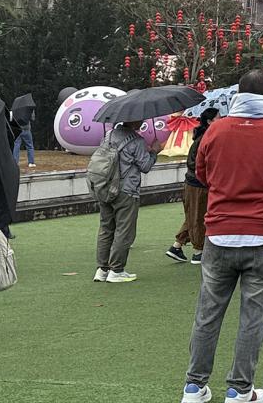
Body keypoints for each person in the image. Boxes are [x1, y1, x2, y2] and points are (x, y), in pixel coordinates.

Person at [180, 68, 263, 403]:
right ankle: (240, 389)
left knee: (208, 313)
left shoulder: (217, 130)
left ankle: (194, 386)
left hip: (220, 234)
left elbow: (203, 173)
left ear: (239, 93)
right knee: (253, 318)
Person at [93, 119, 157, 283]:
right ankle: (117, 270)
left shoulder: (108, 136)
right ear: (134, 122)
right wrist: (154, 151)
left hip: (104, 187)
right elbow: (145, 166)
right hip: (126, 190)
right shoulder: (137, 140)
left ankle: (102, 269)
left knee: (106, 228)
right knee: (124, 230)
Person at [169, 108, 218, 266]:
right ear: (210, 121)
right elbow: (197, 163)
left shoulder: (205, 137)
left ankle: (177, 245)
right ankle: (198, 251)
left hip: (197, 182)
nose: (222, 119)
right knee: (198, 216)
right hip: (198, 183)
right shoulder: (205, 139)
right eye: (218, 117)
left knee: (194, 215)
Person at [10, 104, 35, 170]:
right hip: (26, 130)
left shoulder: (14, 109)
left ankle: (15, 163)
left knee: (16, 146)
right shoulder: (29, 109)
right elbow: (33, 118)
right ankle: (31, 162)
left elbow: (11, 119)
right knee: (30, 146)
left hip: (18, 130)